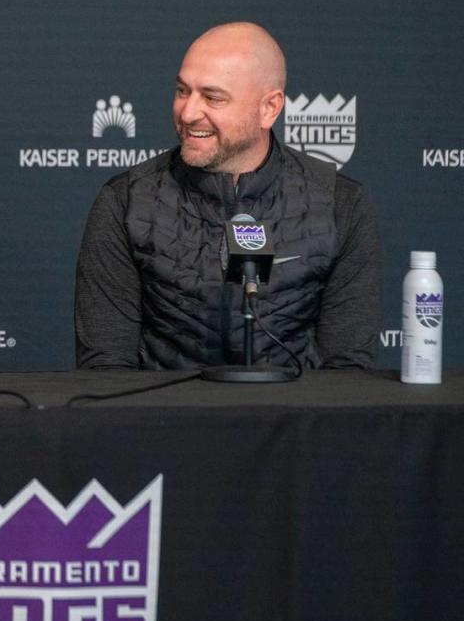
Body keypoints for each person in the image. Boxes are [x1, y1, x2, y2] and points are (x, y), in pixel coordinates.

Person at [75, 22, 380, 370]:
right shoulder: (125, 201)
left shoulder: (340, 204)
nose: (188, 113)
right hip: (163, 420)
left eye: (212, 97)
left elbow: (348, 374)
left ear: (269, 108)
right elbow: (105, 369)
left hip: (293, 421)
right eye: (181, 91)